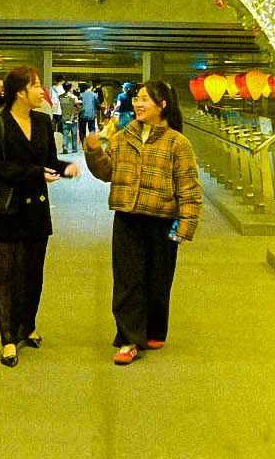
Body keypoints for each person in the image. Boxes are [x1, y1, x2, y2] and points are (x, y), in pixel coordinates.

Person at [83, 79, 202, 365]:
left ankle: (154, 329)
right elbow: (107, 172)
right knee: (127, 280)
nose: (138, 103)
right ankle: (129, 340)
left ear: (162, 105)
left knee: (159, 279)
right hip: (127, 216)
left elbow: (189, 189)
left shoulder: (178, 143)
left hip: (163, 222)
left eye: (145, 99)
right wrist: (94, 151)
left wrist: (183, 228)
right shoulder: (124, 137)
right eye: (137, 98)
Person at [0, 65, 69, 366]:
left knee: (33, 272)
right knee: (6, 274)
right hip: (8, 207)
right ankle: (7, 338)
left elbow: (49, 161)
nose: (40, 91)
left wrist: (66, 169)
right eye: (35, 86)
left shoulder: (43, 122)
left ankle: (27, 326)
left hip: (37, 208)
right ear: (20, 92)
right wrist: (34, 173)